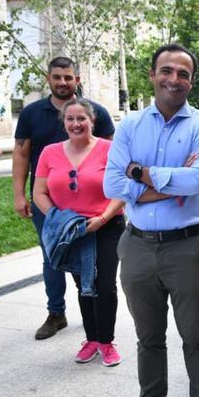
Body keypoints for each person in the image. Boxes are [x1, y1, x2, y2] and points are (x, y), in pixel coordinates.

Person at [104, 44, 199, 397]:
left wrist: (141, 177)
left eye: (183, 73)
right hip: (136, 247)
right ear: (152, 74)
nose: (174, 79)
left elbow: (198, 183)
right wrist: (169, 183)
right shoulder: (130, 125)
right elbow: (112, 186)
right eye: (166, 71)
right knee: (147, 336)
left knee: (194, 336)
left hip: (187, 248)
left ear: (191, 80)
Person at [13, 56, 115, 341]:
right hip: (49, 205)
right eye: (57, 77)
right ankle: (56, 312)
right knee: (52, 258)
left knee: (90, 264)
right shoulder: (32, 113)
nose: (62, 82)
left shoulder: (97, 112)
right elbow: (21, 153)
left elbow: (111, 156)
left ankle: (92, 313)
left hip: (94, 207)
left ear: (77, 80)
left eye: (68, 77)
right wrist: (20, 194)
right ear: (49, 79)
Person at [32, 98, 126, 366]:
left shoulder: (111, 149)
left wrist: (103, 217)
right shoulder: (50, 153)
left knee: (104, 285)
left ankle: (107, 342)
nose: (76, 124)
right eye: (70, 119)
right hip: (71, 230)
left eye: (81, 119)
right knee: (83, 286)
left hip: (107, 226)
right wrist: (57, 218)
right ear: (63, 122)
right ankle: (92, 339)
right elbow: (39, 192)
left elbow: (122, 190)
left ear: (92, 121)